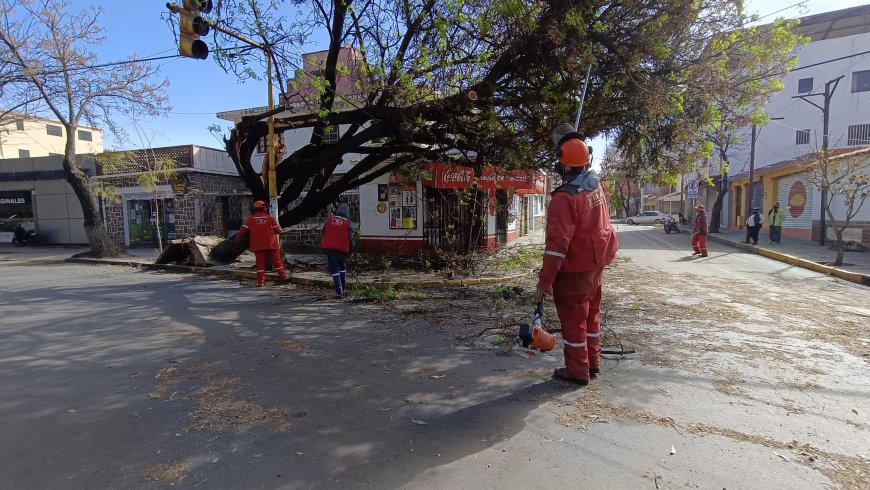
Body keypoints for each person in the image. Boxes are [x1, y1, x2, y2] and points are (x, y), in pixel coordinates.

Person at [536, 123, 619, 386]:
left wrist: (544, 283)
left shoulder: (564, 198)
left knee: (574, 321)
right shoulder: (595, 185)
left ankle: (577, 370)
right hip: (595, 265)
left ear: (562, 164)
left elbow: (556, 247)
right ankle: (592, 362)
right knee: (591, 315)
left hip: (574, 270)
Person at [235, 200, 288, 287]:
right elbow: (277, 230)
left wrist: (238, 240)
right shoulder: (270, 218)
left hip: (258, 246)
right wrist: (281, 230)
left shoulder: (251, 219)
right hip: (271, 244)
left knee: (260, 264)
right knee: (277, 262)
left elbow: (242, 231)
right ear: (264, 208)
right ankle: (283, 277)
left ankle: (261, 282)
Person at [320, 203, 355, 298]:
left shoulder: (329, 219)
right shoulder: (348, 223)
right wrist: (350, 250)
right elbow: (350, 238)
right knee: (342, 267)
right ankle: (343, 288)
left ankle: (339, 291)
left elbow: (323, 231)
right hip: (342, 249)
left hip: (329, 249)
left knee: (335, 269)